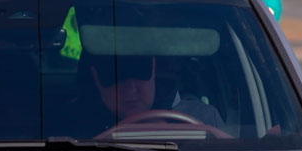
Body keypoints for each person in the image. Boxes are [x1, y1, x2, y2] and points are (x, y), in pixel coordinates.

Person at [81, 53, 226, 136]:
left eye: (140, 73)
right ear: (96, 78)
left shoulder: (204, 118)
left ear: (154, 72)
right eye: (114, 76)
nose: (131, 89)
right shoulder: (72, 128)